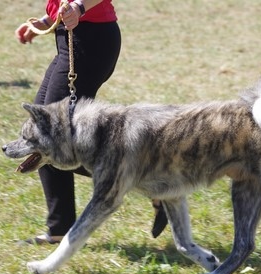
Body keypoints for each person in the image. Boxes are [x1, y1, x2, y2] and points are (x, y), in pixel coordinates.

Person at [15, 0, 167, 244]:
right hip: (72, 38)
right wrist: (47, 21)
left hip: (91, 41)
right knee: (44, 133)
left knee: (48, 136)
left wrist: (79, 7)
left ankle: (152, 180)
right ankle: (59, 228)